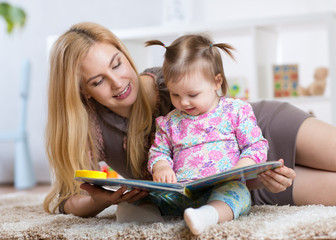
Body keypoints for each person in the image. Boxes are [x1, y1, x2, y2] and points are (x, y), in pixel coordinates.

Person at [43, 21, 336, 219]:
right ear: (82, 91)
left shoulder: (166, 80)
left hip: (263, 127)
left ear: (124, 54)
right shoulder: (88, 128)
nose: (118, 82)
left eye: (117, 64)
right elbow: (65, 201)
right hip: (237, 186)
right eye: (98, 81)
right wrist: (101, 200)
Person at [143, 35, 268, 234]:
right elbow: (158, 152)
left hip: (222, 189)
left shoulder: (235, 111)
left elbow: (256, 146)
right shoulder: (170, 122)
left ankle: (208, 215)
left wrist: (241, 168)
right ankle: (139, 214)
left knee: (238, 194)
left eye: (192, 95)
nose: (183, 103)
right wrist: (162, 167)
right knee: (149, 196)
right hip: (182, 192)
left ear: (216, 82)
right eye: (175, 94)